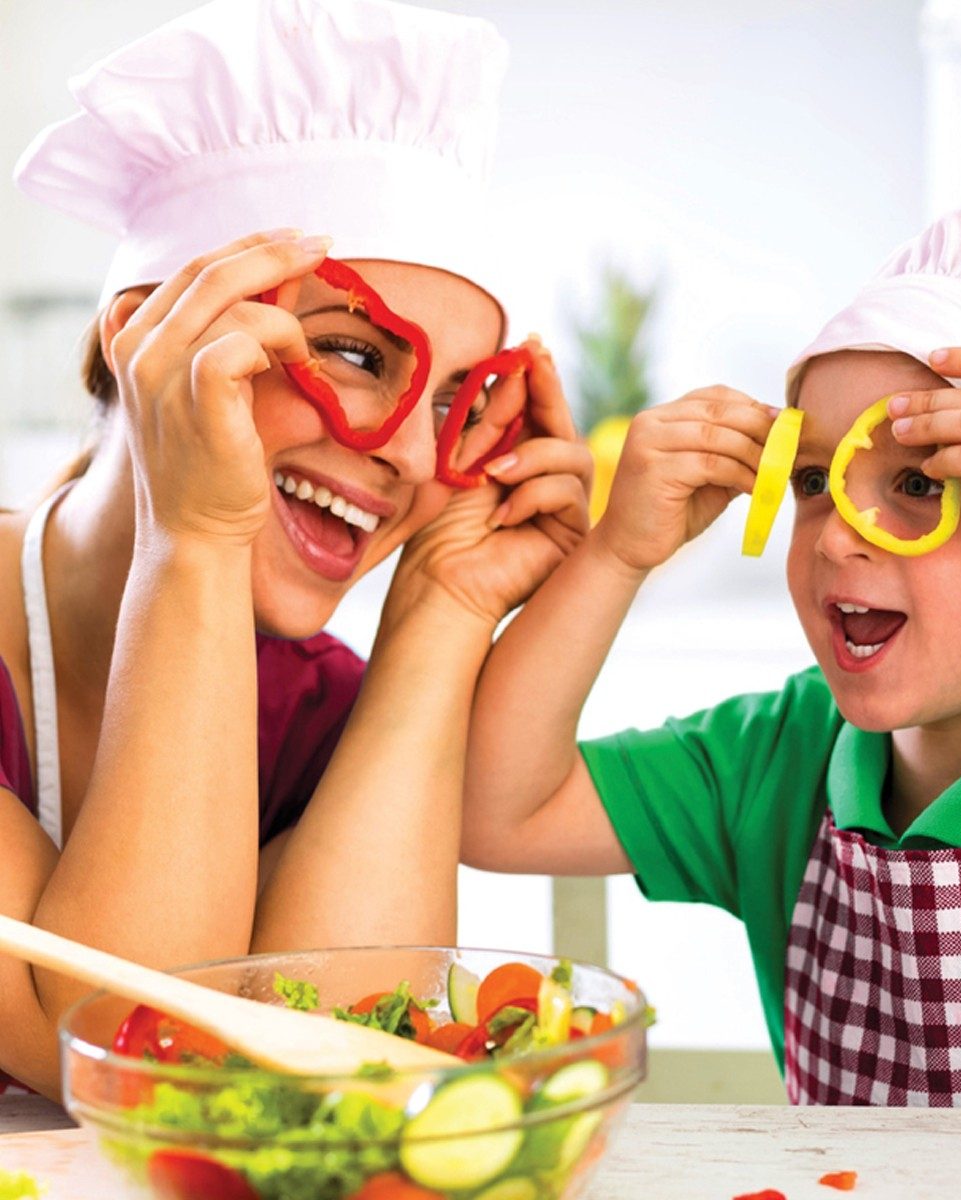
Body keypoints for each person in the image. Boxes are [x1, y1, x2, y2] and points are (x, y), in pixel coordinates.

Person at [463, 205, 961, 1110]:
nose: (842, 536)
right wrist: (616, 554)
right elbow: (497, 809)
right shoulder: (779, 757)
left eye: (920, 483)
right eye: (814, 480)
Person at [0, 0, 589, 1098]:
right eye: (357, 355)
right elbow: (132, 1059)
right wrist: (200, 532)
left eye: (460, 399)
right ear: (146, 333)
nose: (413, 455)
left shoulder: (321, 710)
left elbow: (335, 1072)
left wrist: (447, 615)